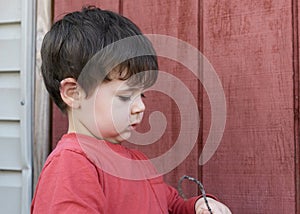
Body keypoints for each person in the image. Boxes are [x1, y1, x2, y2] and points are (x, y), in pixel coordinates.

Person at [31, 6, 231, 214]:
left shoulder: (136, 164)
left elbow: (172, 206)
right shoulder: (72, 164)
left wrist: (198, 206)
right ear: (74, 93)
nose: (140, 107)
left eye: (141, 95)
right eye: (126, 96)